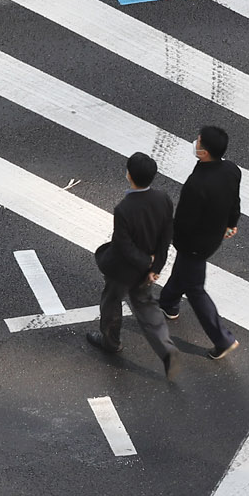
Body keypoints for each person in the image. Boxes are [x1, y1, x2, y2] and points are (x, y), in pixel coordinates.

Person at [85, 152, 176, 377]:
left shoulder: (124, 209)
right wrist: (155, 267)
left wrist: (146, 263)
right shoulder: (163, 199)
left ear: (129, 175)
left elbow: (123, 246)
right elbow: (166, 236)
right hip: (148, 270)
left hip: (123, 270)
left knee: (111, 303)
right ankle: (167, 352)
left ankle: (111, 342)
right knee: (147, 307)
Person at [163, 126, 240, 361]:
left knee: (195, 289)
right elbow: (234, 199)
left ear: (204, 152)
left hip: (195, 243)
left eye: (198, 141)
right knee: (185, 270)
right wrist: (232, 223)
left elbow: (184, 221)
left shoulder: (196, 185)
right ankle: (168, 303)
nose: (195, 143)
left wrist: (170, 239)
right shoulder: (231, 170)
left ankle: (222, 339)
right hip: (213, 236)